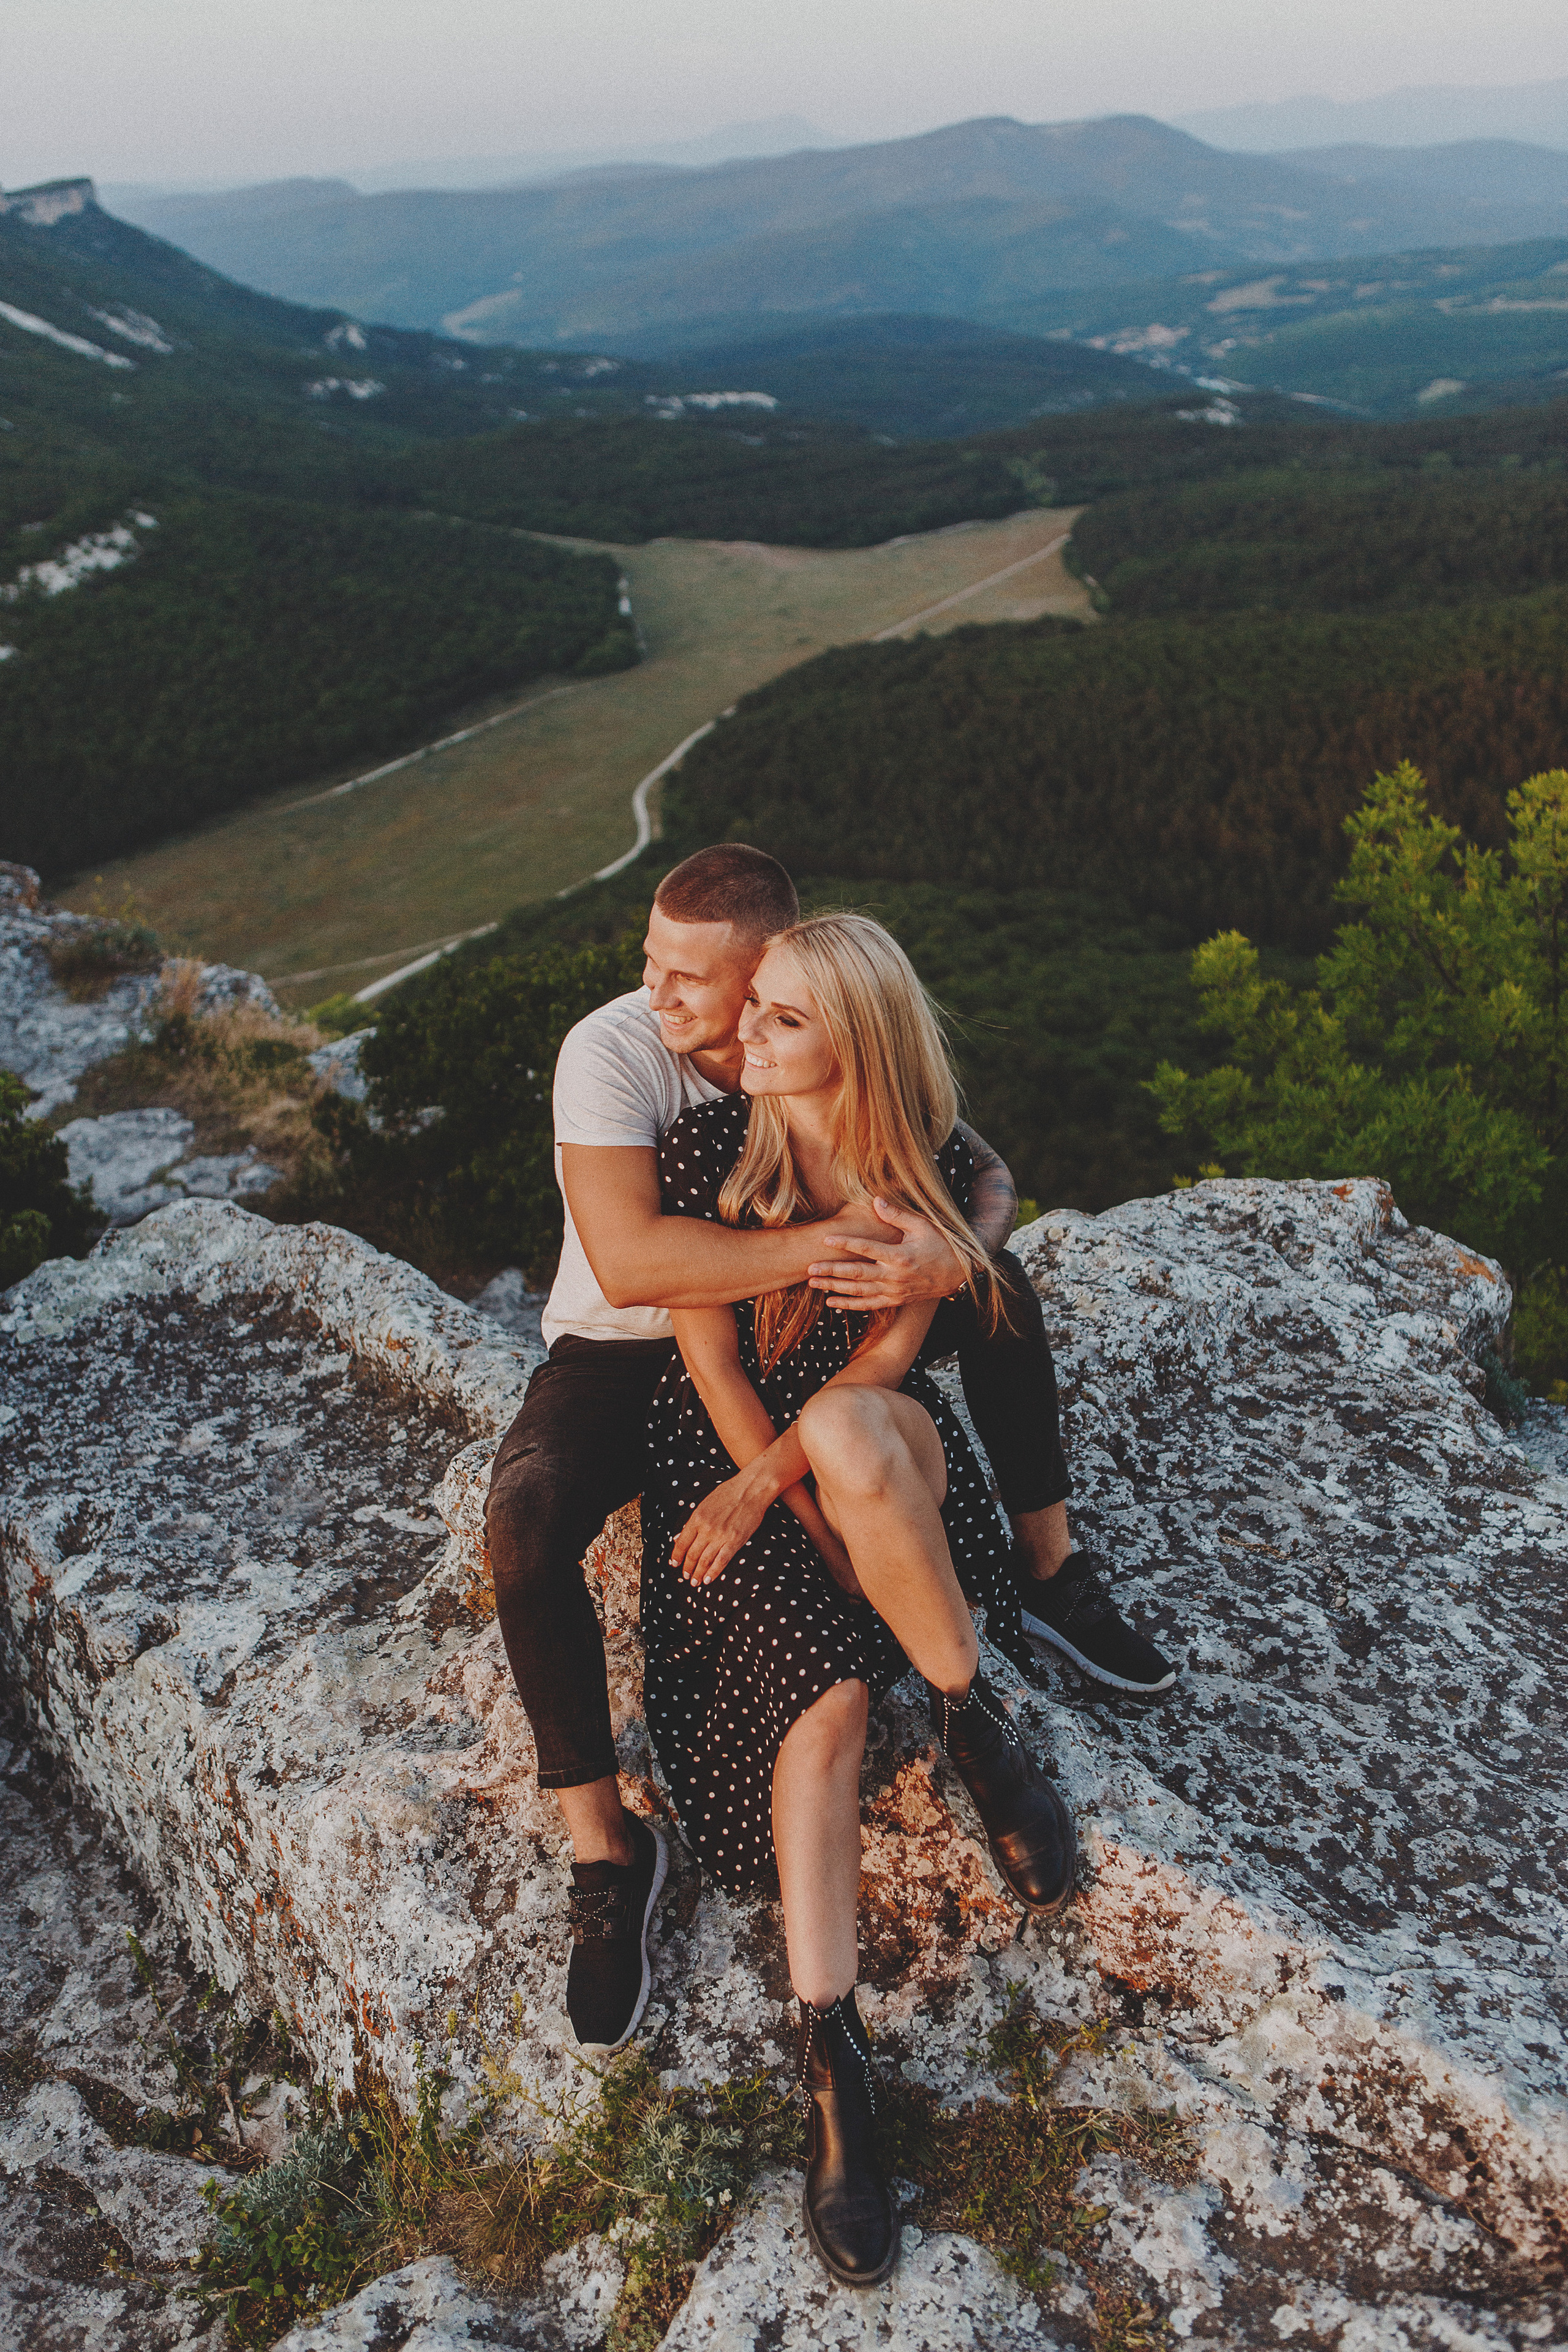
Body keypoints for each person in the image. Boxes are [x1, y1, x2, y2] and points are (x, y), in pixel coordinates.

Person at [484, 844, 1175, 2057]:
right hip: (630, 1343)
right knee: (525, 1523)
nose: (662, 995)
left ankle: (1048, 1570)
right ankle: (605, 1850)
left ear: (774, 970)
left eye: (694, 976)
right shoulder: (616, 1053)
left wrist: (941, 1255)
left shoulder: (818, 1027)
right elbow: (641, 1264)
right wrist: (839, 1248)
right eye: (651, 964)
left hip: (814, 1338)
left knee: (999, 1278)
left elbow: (978, 1171)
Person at [641, 910, 1084, 2288]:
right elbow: (708, 1355)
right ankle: (832, 2058)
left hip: (868, 1447)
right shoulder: (711, 1147)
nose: (743, 1038)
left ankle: (970, 1717)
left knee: (844, 1434)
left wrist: (815, 1489)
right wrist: (756, 1494)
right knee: (822, 1710)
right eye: (752, 1008)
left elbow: (885, 1366)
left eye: (781, 1019)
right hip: (721, 1451)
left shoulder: (927, 1166)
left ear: (857, 1040)